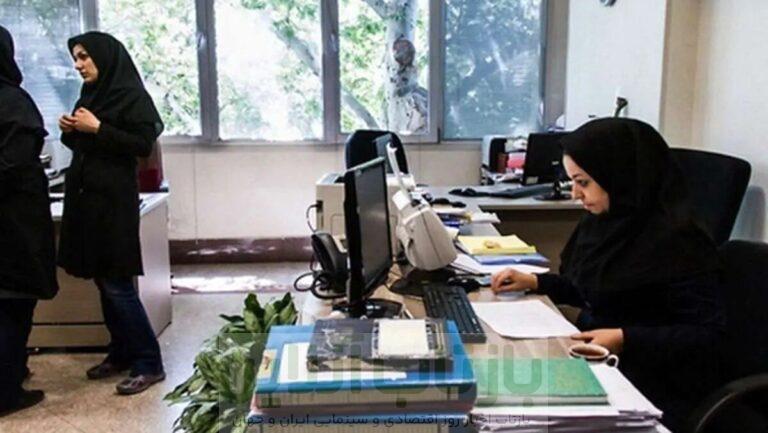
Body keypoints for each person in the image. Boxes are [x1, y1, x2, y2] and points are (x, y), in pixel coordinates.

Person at [491, 118, 725, 432]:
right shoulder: (609, 223)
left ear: (620, 176)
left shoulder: (680, 243)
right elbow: (596, 291)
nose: (575, 194)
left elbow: (707, 337)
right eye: (572, 182)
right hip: (602, 366)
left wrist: (624, 338)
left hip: (651, 388)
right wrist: (535, 282)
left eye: (583, 182)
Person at [57, 31, 165, 395]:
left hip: (113, 203)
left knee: (117, 283)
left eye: (84, 56)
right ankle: (120, 351)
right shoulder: (91, 94)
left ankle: (149, 362)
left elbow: (141, 145)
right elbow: (85, 144)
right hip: (87, 201)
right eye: (75, 57)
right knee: (103, 281)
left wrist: (98, 127)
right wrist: (71, 130)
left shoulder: (131, 96)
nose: (78, 64)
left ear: (104, 57)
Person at [0, 25, 58, 415]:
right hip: (11, 226)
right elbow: (15, 164)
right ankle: (7, 393)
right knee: (12, 307)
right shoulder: (11, 101)